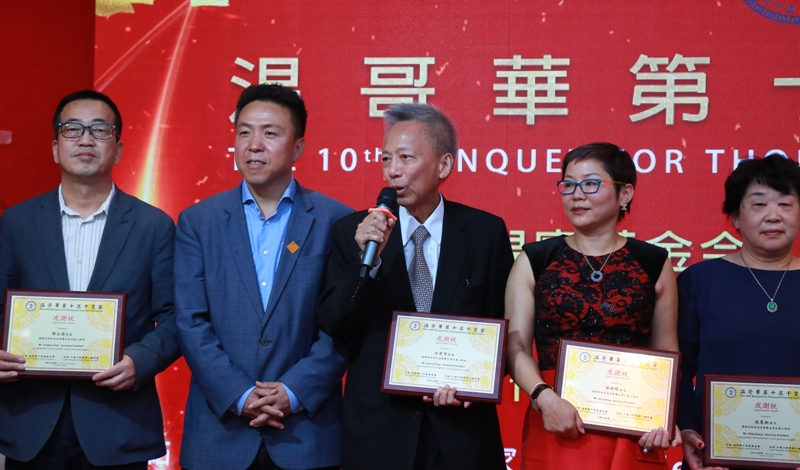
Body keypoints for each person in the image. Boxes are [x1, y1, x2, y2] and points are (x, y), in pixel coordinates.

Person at [317, 103, 513, 470]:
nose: (392, 171)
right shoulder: (353, 233)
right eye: (386, 159)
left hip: (460, 435)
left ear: (444, 165)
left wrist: (473, 385)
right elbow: (335, 323)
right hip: (380, 433)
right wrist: (368, 263)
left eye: (406, 158)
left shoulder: (485, 233)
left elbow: (503, 326)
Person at [175, 83, 352, 470]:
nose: (254, 145)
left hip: (306, 436)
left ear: (298, 148)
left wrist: (294, 390)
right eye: (244, 132)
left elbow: (343, 325)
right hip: (218, 436)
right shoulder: (198, 222)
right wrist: (239, 394)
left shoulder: (336, 220)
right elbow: (189, 320)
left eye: (270, 133)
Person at [0, 90, 180, 469]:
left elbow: (177, 317)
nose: (85, 139)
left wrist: (140, 361)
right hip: (31, 422)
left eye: (100, 130)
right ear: (55, 148)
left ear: (118, 149)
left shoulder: (154, 227)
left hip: (118, 424)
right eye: (72, 129)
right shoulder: (16, 224)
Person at [505, 142, 681, 470]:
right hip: (557, 418)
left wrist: (663, 413)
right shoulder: (535, 259)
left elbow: (666, 351)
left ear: (625, 193)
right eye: (568, 185)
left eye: (590, 184)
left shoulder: (654, 262)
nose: (577, 195)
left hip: (631, 425)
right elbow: (515, 348)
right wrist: (543, 397)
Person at [677, 154, 800, 470]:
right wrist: (687, 427)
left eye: (785, 204)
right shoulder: (700, 280)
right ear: (734, 217)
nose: (773, 216)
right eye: (759, 204)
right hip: (716, 458)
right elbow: (679, 367)